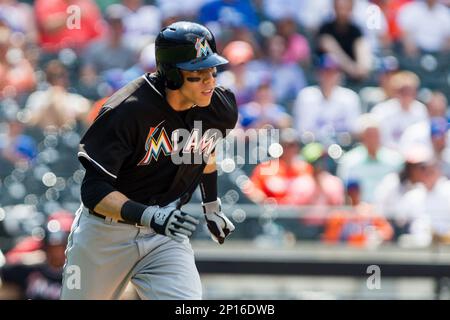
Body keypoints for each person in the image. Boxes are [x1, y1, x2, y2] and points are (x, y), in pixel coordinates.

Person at [61, 21, 238, 300]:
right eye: (198, 72)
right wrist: (149, 216)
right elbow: (93, 191)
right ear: (171, 75)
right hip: (106, 234)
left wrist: (211, 205)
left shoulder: (219, 106)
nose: (210, 80)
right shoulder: (126, 110)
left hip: (165, 236)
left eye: (212, 69)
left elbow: (206, 147)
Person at [0, 211, 73, 300]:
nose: (56, 253)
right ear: (45, 246)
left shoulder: (77, 272)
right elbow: (5, 271)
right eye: (52, 247)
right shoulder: (32, 267)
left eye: (60, 246)